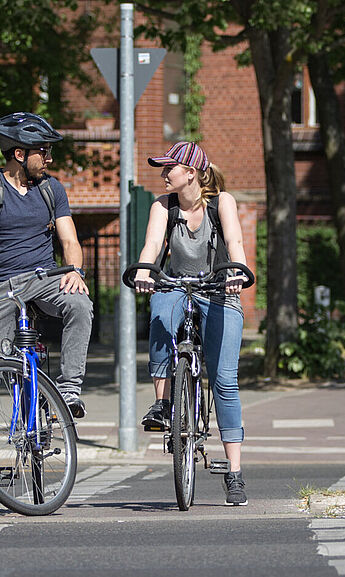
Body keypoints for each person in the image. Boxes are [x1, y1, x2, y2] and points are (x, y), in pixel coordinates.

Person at [0, 112, 93, 513]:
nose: (49, 157)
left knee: (80, 304)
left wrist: (75, 271)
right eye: (43, 151)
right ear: (19, 153)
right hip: (1, 287)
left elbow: (69, 239)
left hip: (45, 278)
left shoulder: (52, 189)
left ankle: (69, 390)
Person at [132, 141, 252, 506]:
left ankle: (234, 473)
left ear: (190, 173)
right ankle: (163, 404)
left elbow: (235, 241)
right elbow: (152, 245)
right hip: (176, 285)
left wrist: (236, 272)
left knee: (224, 380)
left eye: (169, 168)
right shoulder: (162, 206)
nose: (164, 174)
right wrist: (144, 271)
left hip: (218, 289)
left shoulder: (221, 202)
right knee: (159, 307)